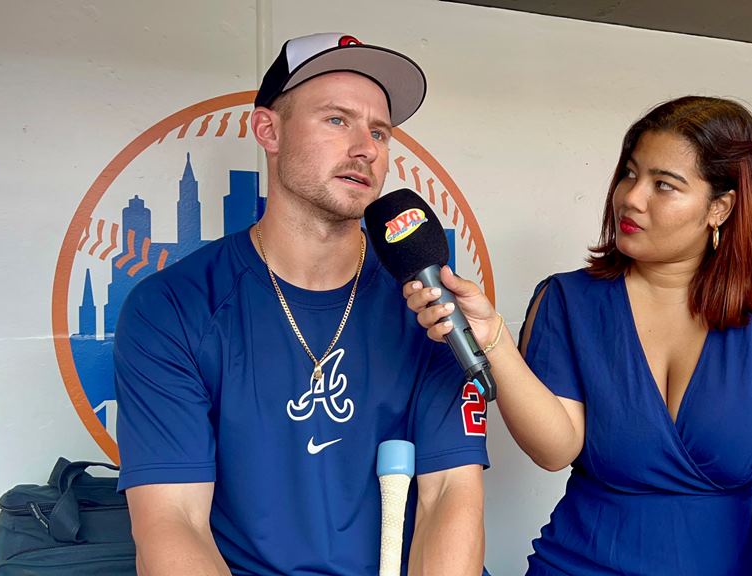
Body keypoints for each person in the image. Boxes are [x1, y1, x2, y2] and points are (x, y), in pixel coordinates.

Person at [404, 96, 752, 575]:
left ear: (720, 207)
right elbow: (555, 449)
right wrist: (494, 339)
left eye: (664, 185)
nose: (631, 197)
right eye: (630, 174)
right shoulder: (568, 299)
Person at [114, 32, 488, 576]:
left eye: (379, 131)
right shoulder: (173, 307)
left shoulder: (428, 306)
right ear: (268, 129)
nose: (366, 147)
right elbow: (173, 524)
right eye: (337, 120)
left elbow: (450, 495)